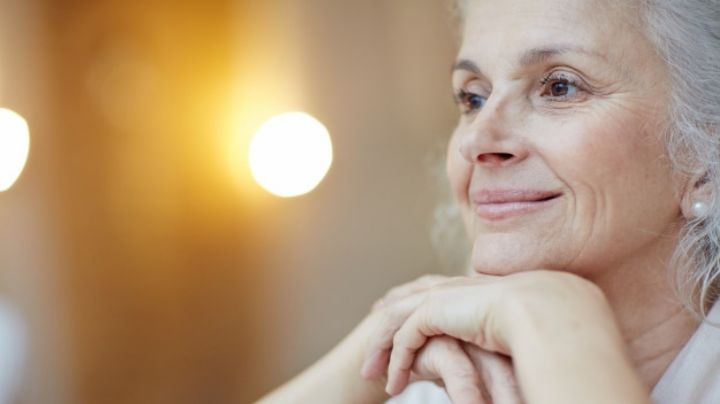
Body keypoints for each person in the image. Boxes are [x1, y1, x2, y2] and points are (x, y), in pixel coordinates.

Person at [256, 0, 720, 402]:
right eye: (473, 98)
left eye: (560, 86)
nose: (476, 140)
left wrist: (555, 325)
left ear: (704, 160)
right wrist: (371, 349)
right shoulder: (453, 372)